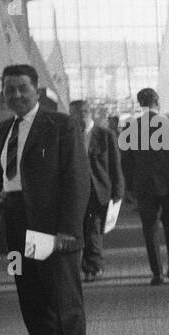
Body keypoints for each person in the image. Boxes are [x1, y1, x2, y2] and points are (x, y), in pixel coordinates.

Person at [0, 64, 88, 335]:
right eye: (9, 89)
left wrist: (68, 231)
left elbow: (77, 180)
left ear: (36, 89)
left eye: (22, 88)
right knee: (31, 300)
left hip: (49, 228)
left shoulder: (60, 125)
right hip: (16, 227)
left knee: (63, 301)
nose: (15, 94)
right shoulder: (4, 130)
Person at [120, 87, 169, 286]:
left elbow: (126, 161)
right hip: (168, 186)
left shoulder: (131, 127)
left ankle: (156, 272)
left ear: (139, 104)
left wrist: (130, 187)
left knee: (149, 228)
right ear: (157, 103)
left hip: (143, 186)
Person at [70, 99, 124, 282]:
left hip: (98, 191)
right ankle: (87, 265)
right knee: (80, 230)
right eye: (77, 112)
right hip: (75, 193)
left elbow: (115, 164)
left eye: (84, 111)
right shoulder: (69, 136)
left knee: (93, 230)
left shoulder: (105, 135)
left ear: (89, 112)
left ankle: (94, 266)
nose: (82, 114)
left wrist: (118, 190)